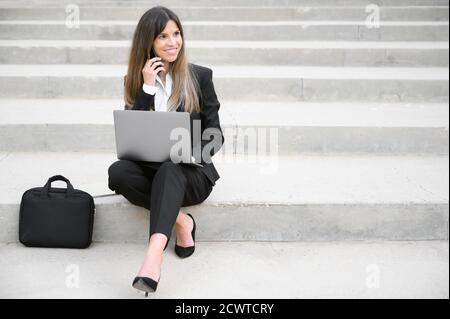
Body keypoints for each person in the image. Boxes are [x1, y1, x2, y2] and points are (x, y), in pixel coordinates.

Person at [107, 6, 224, 296]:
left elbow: (216, 135)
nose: (173, 42)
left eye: (176, 34)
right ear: (149, 42)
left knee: (171, 169)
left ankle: (153, 256)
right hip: (152, 169)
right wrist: (146, 90)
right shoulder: (136, 80)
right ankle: (182, 221)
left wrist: (190, 153)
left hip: (191, 175)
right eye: (163, 36)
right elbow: (133, 135)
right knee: (117, 172)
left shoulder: (200, 77)